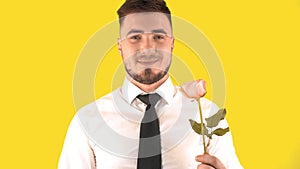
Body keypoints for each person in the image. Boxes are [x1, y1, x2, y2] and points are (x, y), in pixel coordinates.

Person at [58, 0, 243, 168]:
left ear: (172, 44)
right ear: (120, 46)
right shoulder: (87, 120)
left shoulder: (208, 116)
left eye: (158, 37)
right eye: (135, 37)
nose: (147, 48)